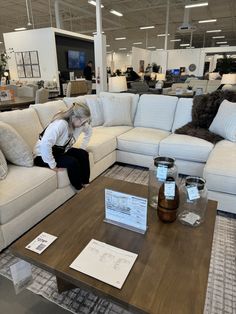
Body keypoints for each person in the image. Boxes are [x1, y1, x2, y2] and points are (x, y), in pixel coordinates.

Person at [34, 102, 92, 192]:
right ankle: (79, 189)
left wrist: (82, 147)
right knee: (72, 162)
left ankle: (86, 183)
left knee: (83, 154)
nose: (84, 124)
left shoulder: (80, 124)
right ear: (74, 117)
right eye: (83, 121)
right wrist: (53, 166)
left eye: (86, 121)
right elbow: (45, 145)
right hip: (41, 155)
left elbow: (89, 131)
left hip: (60, 151)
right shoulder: (60, 124)